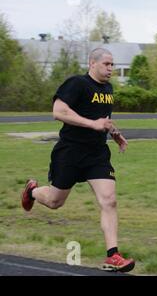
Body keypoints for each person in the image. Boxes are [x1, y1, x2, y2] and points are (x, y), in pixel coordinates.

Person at [21, 48, 135, 273]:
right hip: (70, 152)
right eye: (107, 64)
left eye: (113, 65)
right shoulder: (76, 84)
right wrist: (92, 124)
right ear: (92, 63)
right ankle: (32, 191)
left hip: (97, 154)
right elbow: (58, 111)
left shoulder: (108, 89)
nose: (111, 69)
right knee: (54, 202)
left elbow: (104, 119)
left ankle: (113, 255)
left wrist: (115, 134)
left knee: (109, 200)